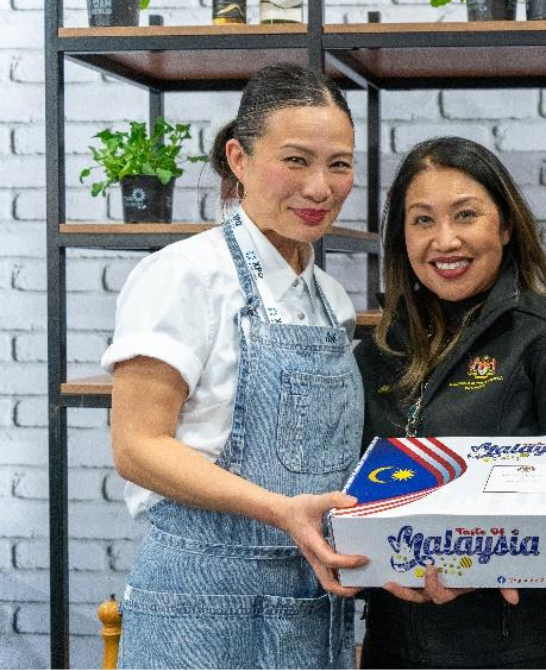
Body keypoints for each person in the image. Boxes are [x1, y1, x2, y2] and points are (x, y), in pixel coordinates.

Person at [102, 63, 367, 669]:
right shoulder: (183, 276)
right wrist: (279, 511)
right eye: (296, 160)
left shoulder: (331, 298)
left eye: (340, 164)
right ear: (239, 159)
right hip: (201, 605)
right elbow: (137, 447)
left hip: (312, 602)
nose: (321, 188)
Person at [353, 136, 546, 669]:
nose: (445, 240)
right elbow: (355, 502)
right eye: (422, 220)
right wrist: (373, 574)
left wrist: (477, 566)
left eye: (466, 215)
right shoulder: (377, 354)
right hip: (397, 646)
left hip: (524, 647)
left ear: (504, 226)